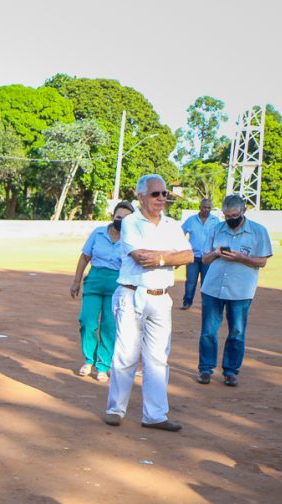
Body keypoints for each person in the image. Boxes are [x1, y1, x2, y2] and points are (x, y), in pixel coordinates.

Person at [103, 174, 193, 431]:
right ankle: (115, 409)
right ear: (141, 196)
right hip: (133, 294)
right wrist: (170, 255)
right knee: (126, 354)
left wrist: (163, 258)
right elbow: (141, 256)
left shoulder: (172, 224)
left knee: (158, 358)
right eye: (156, 194)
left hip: (161, 296)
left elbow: (188, 255)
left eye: (164, 194)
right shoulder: (131, 222)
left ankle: (155, 415)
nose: (162, 198)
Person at [195, 195, 273, 387]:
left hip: (240, 291)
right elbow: (204, 259)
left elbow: (262, 261)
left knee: (237, 331)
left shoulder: (258, 232)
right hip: (213, 288)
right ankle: (205, 369)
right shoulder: (217, 229)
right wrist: (215, 253)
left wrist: (239, 257)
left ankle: (230, 371)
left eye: (234, 215)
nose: (230, 219)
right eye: (226, 216)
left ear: (244, 211)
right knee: (208, 331)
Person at [69, 201, 135, 382]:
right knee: (87, 321)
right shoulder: (98, 233)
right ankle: (89, 359)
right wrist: (76, 282)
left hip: (117, 283)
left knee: (109, 325)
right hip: (95, 280)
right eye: (118, 217)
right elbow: (84, 257)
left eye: (125, 219)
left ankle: (103, 365)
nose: (120, 221)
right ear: (113, 216)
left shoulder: (131, 238)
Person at [180, 198, 219, 310]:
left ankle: (206, 304)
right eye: (204, 207)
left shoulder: (215, 221)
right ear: (200, 207)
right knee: (191, 281)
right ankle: (187, 302)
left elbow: (219, 236)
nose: (206, 209)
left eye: (209, 207)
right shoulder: (191, 220)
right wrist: (184, 248)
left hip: (208, 257)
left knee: (206, 282)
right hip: (193, 257)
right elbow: (180, 234)